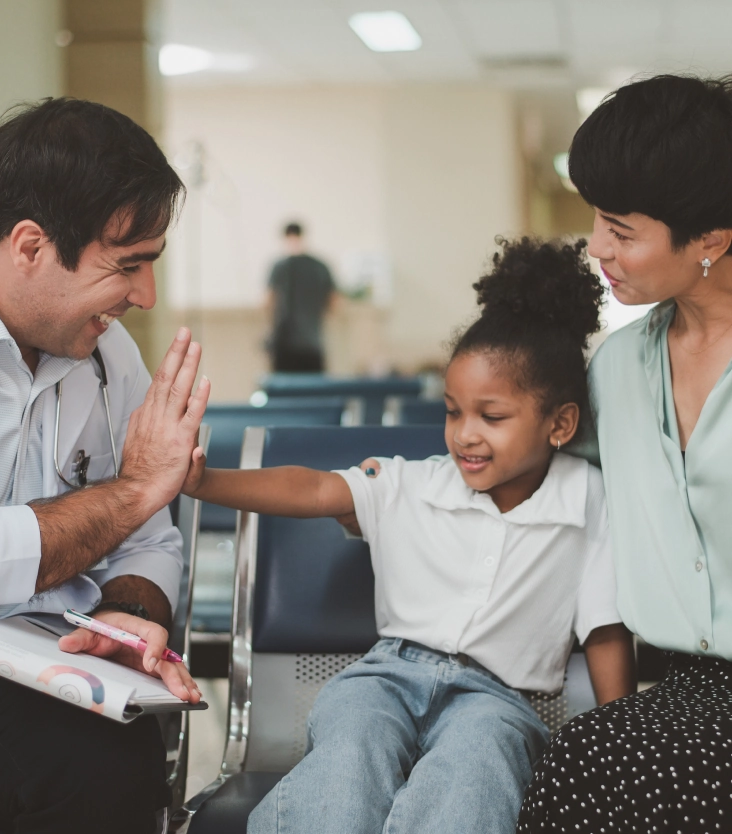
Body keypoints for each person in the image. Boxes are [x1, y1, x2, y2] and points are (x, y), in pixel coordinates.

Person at [183, 238, 636, 834]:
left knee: (478, 767)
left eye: (491, 416)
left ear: (560, 423)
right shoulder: (414, 483)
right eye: (452, 412)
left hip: (498, 698)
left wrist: (619, 741)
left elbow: (604, 628)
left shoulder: (589, 499)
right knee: (350, 753)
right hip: (387, 675)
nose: (465, 435)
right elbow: (316, 490)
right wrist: (202, 481)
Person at [0, 98, 211, 833]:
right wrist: (128, 494)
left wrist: (130, 612)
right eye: (128, 266)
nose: (144, 296)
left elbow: (150, 538)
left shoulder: (103, 353)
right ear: (29, 245)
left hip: (14, 656)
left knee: (109, 771)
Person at [517, 74, 732, 833]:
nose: (598, 249)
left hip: (687, 727)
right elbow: (558, 490)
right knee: (590, 759)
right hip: (687, 690)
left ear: (711, 239)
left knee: (606, 763)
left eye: (621, 228)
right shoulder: (615, 369)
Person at [266, 222, 336, 372]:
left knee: (284, 391)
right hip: (312, 343)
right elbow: (333, 302)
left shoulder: (280, 267)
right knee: (313, 391)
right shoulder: (320, 267)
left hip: (284, 344)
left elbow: (269, 301)